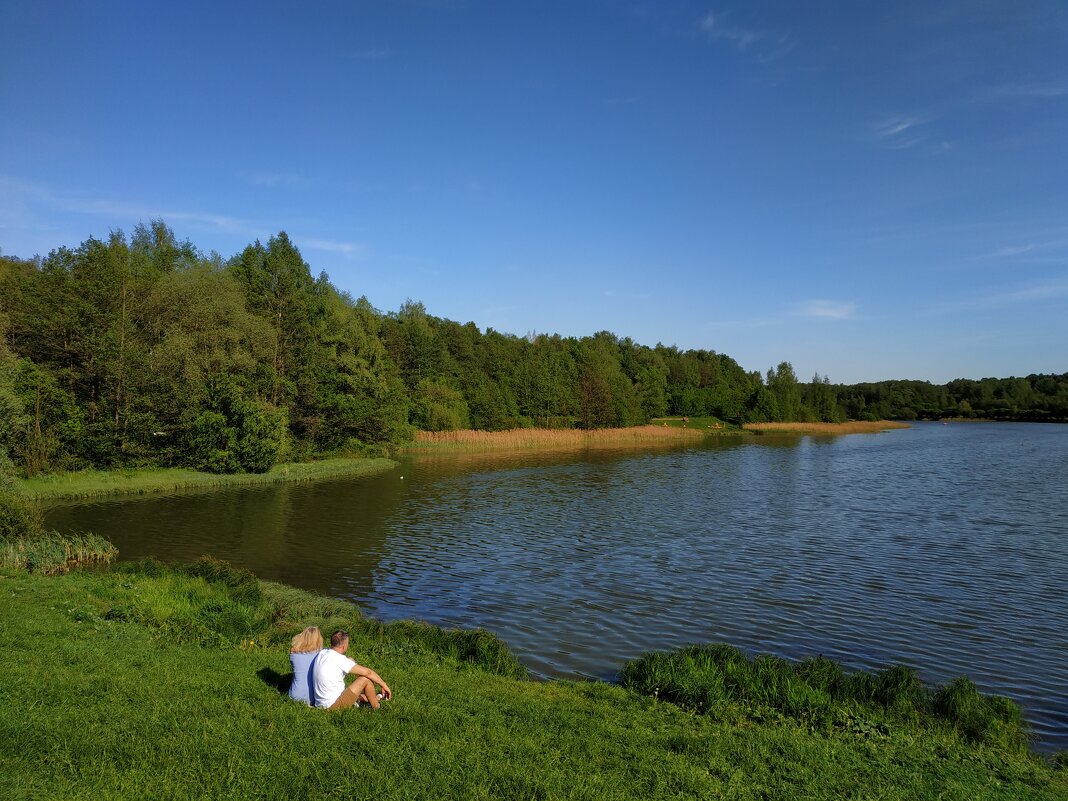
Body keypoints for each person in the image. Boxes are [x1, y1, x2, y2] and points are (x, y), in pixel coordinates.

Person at [312, 629, 392, 710]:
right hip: (332, 706)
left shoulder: (322, 653)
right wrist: (384, 685)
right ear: (344, 646)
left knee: (362, 689)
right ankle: (376, 707)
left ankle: (373, 698)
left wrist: (350, 661)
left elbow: (341, 662)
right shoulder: (340, 660)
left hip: (320, 703)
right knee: (365, 679)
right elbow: (368, 673)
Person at [288, 626, 324, 705]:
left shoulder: (293, 653)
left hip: (295, 695)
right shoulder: (322, 654)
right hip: (315, 697)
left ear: (302, 636)